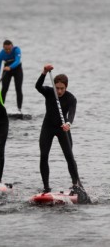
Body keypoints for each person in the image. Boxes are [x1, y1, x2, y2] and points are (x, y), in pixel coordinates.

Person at [35, 64, 83, 194]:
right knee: (44, 156)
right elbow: (37, 86)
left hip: (63, 128)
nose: (59, 91)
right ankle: (46, 187)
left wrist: (68, 123)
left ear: (66, 87)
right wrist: (44, 72)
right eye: (57, 88)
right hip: (48, 127)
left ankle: (76, 184)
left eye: (62, 88)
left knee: (69, 157)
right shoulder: (49, 92)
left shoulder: (71, 98)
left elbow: (71, 113)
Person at [0, 39, 23, 113]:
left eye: (9, 49)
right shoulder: (0, 54)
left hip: (17, 68)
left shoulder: (17, 50)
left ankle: (19, 109)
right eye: (5, 49)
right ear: (3, 48)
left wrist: (10, 67)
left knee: (18, 88)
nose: (7, 51)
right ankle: (0, 108)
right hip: (6, 69)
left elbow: (17, 61)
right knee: (4, 89)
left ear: (12, 46)